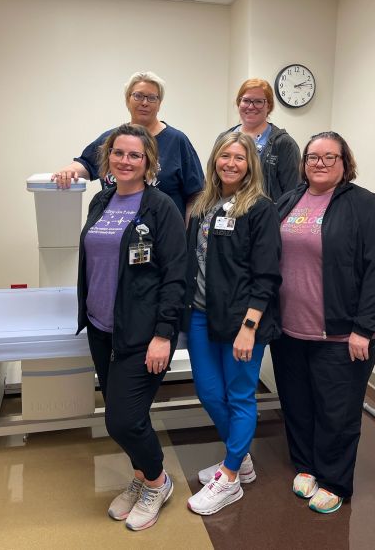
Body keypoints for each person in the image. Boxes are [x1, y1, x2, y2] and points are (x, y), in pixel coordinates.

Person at [272, 131, 375, 514]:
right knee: (297, 403)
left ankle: (334, 481)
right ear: (303, 163)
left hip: (342, 332)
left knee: (337, 411)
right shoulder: (289, 200)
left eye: (330, 157)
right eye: (313, 157)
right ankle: (306, 465)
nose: (320, 163)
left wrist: (365, 327)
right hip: (289, 330)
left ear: (345, 163)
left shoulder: (364, 205)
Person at [76, 123, 187, 531]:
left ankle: (157, 482)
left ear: (148, 162)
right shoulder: (101, 200)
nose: (125, 160)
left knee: (123, 420)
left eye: (134, 155)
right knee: (125, 415)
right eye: (118, 153)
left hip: (142, 333)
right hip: (101, 328)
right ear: (108, 158)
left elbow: (176, 275)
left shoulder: (161, 207)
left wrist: (163, 334)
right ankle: (141, 476)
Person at [182, 131, 282, 515]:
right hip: (200, 315)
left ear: (250, 165)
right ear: (215, 160)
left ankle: (229, 477)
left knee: (239, 395)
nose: (231, 163)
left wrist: (250, 326)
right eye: (225, 156)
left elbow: (267, 274)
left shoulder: (259, 208)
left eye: (240, 158)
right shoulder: (203, 204)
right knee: (209, 393)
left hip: (242, 321)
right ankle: (240, 460)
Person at [53, 71, 204, 219]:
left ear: (159, 104)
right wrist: (70, 171)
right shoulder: (112, 138)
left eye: (152, 98)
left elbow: (196, 194)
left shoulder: (177, 141)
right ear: (127, 100)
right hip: (115, 226)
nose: (144, 103)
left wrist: (186, 232)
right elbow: (86, 164)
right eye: (138, 96)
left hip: (163, 229)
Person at [222, 78, 300, 202]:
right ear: (239, 103)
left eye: (258, 102)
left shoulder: (284, 144)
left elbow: (292, 194)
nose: (251, 106)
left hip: (266, 213)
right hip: (226, 210)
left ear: (269, 106)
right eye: (246, 100)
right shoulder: (224, 138)